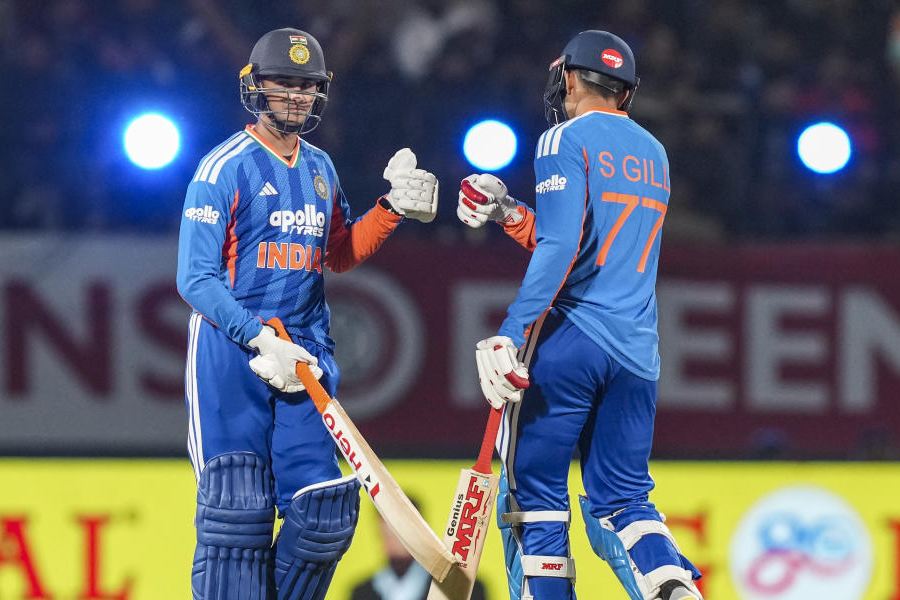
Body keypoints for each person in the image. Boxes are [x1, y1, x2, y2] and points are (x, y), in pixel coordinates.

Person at [176, 27, 438, 600]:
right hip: (233, 353)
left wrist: (390, 209)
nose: (295, 96)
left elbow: (339, 253)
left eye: (306, 86)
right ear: (255, 88)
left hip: (307, 361)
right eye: (283, 84)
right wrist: (256, 338)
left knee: (324, 517)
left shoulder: (321, 167)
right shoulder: (223, 168)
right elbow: (194, 279)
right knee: (237, 515)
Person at [457, 30, 702, 600]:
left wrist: (512, 331)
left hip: (569, 340)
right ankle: (668, 580)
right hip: (638, 353)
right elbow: (596, 244)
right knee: (623, 500)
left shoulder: (561, 139)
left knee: (533, 498)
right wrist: (510, 211)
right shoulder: (654, 150)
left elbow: (563, 247)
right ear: (626, 91)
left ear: (568, 78)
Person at [349, 497, 488, 600]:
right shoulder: (362, 592)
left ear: (421, 532)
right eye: (386, 534)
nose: (391, 541)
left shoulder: (461, 589)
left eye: (398, 532)